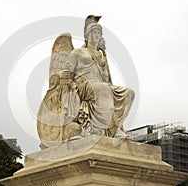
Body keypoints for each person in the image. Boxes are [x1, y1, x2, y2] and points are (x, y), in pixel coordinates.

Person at [37, 15, 134, 148]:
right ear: (87, 35)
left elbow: (106, 79)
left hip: (100, 85)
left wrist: (103, 54)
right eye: (94, 32)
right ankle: (102, 129)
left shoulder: (101, 55)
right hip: (82, 85)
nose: (96, 35)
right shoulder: (78, 52)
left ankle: (114, 129)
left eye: (99, 33)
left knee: (129, 93)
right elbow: (66, 71)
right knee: (101, 89)